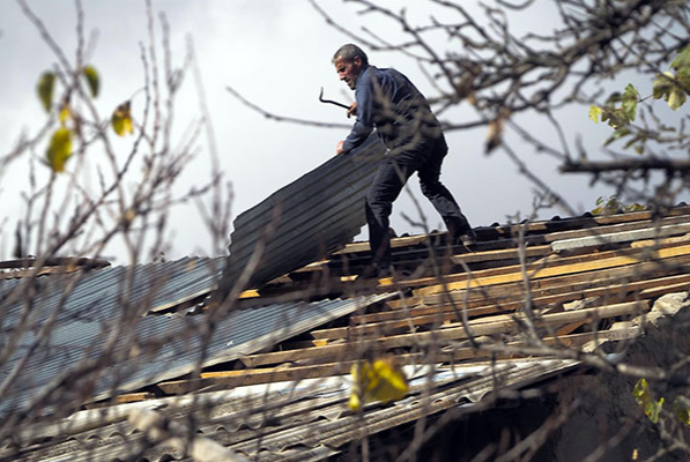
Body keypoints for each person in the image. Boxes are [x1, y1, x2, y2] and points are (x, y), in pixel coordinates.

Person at [333, 44, 476, 274]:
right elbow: (399, 103)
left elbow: (364, 126)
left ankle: (382, 265)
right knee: (431, 185)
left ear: (357, 61)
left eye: (342, 69)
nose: (341, 77)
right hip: (434, 137)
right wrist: (365, 105)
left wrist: (346, 146)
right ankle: (464, 232)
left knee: (376, 201)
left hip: (409, 143)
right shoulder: (390, 74)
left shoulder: (364, 82)